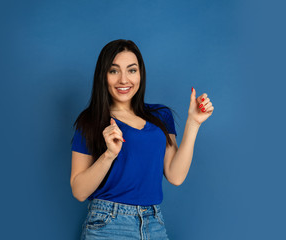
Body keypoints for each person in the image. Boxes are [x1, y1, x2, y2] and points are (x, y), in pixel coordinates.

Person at [70, 39, 214, 239]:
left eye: (131, 70)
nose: (123, 80)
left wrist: (194, 123)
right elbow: (79, 191)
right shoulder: (91, 121)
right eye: (114, 71)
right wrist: (109, 155)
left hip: (153, 223)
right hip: (108, 225)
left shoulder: (160, 115)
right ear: (103, 76)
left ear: (140, 74)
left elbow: (175, 176)